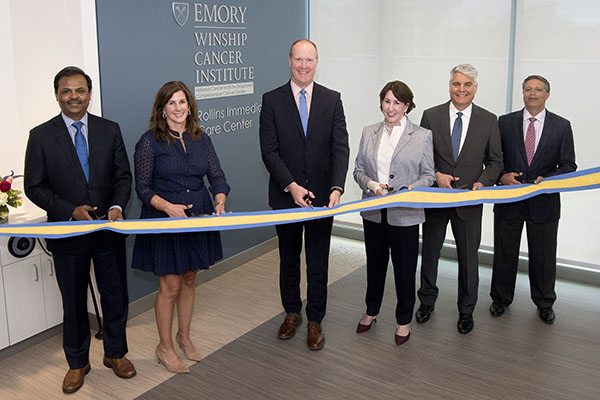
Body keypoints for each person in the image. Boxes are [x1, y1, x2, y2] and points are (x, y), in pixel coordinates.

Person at [24, 66, 135, 393]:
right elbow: (34, 186)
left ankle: (115, 354)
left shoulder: (109, 130)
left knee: (115, 296)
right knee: (73, 302)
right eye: (67, 91)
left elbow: (123, 177)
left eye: (80, 90)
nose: (74, 96)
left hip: (106, 230)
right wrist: (69, 210)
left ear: (89, 93)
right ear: (57, 95)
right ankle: (77, 362)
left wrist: (116, 207)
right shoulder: (41, 136)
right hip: (68, 233)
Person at [132, 81, 230, 373]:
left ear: (190, 106)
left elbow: (218, 177)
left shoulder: (202, 138)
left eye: (182, 102)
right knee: (170, 286)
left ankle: (183, 336)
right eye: (172, 103)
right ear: (162, 109)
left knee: (189, 278)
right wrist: (166, 207)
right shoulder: (149, 142)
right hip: (164, 217)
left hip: (198, 215)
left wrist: (220, 200)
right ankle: (164, 347)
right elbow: (143, 188)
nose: (178, 108)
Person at [259, 39, 349, 350]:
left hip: (323, 198)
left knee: (318, 261)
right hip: (286, 197)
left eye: (309, 60)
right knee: (288, 260)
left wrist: (337, 187)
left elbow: (340, 147)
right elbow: (269, 151)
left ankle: (315, 320)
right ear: (289, 61)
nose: (303, 65)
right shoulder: (271, 100)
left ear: (316, 62)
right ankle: (292, 313)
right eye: (298, 59)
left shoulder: (331, 99)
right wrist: (292, 185)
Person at [415, 63, 503, 334]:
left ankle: (466, 311)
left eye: (467, 85)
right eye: (456, 84)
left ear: (475, 89)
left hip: (469, 201)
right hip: (437, 199)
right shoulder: (431, 116)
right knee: (429, 254)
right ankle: (426, 302)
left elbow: (496, 162)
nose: (461, 89)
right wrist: (437, 175)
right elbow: (422, 157)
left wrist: (483, 182)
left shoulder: (489, 120)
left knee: (468, 259)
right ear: (450, 86)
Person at [489, 75, 576, 324]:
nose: (533, 94)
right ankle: (500, 299)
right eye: (528, 89)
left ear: (547, 94)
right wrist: (502, 177)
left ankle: (545, 302)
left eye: (538, 90)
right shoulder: (504, 122)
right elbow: (494, 159)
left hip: (544, 202)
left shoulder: (562, 125)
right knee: (505, 253)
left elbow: (569, 165)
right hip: (509, 200)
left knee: (544, 256)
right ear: (523, 93)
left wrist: (547, 180)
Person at [353, 81, 434, 345]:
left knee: (404, 270)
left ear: (407, 105)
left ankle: (403, 320)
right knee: (375, 267)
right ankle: (371, 310)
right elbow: (358, 171)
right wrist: (372, 185)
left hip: (406, 215)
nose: (391, 108)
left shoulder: (422, 135)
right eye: (387, 101)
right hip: (374, 213)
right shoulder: (368, 132)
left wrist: (412, 188)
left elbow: (429, 175)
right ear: (381, 103)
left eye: (397, 103)